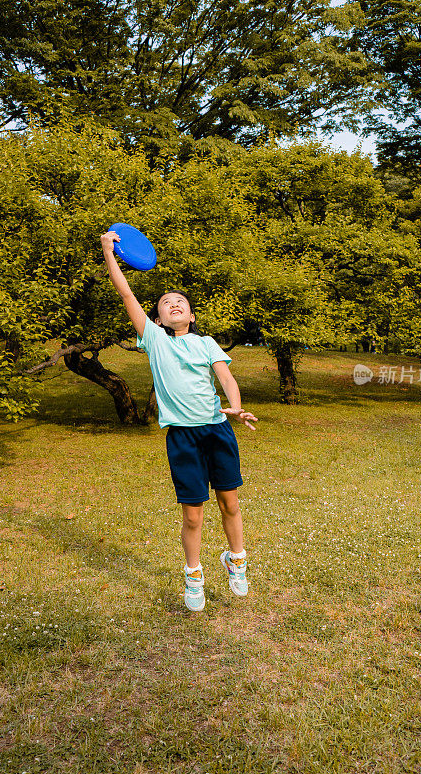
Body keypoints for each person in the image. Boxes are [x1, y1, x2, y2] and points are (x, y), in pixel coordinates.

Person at [101, 231, 258, 612]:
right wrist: (110, 253)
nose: (173, 304)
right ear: (156, 317)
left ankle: (236, 560)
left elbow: (226, 378)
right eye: (165, 303)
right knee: (193, 514)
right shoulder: (154, 339)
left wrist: (235, 407)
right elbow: (126, 294)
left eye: (180, 302)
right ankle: (193, 574)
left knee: (230, 504)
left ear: (191, 315)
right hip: (182, 438)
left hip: (217, 430)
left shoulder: (205, 343)